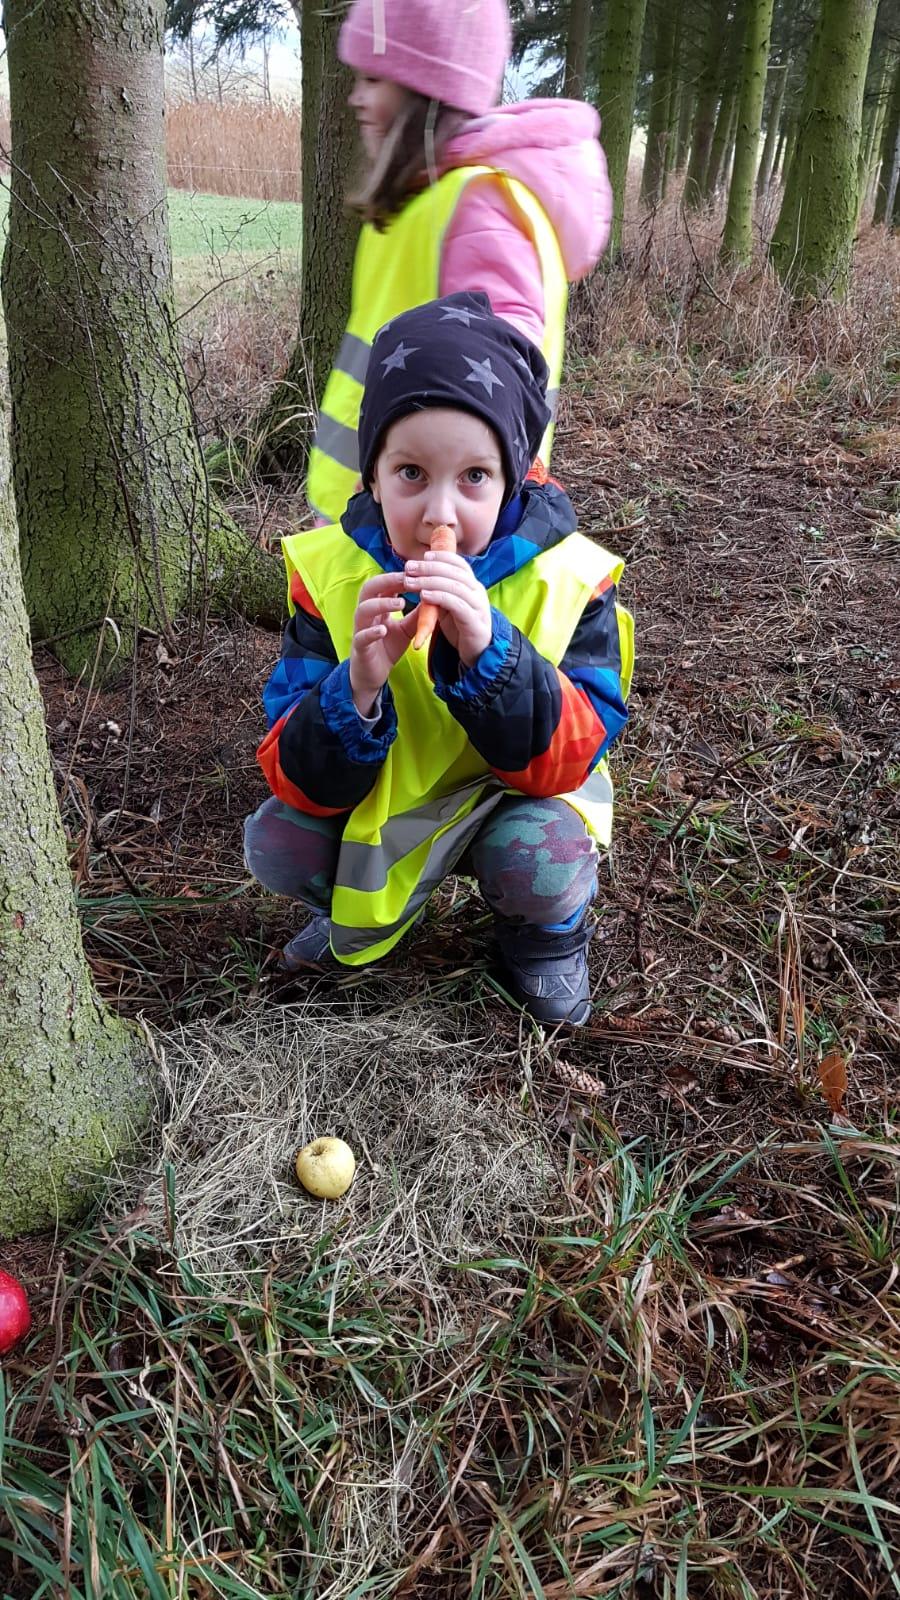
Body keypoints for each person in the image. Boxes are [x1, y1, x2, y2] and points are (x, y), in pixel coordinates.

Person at [245, 294, 633, 1027]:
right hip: (392, 802)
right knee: (276, 838)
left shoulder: (569, 577)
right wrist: (355, 686)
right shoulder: (328, 573)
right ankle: (361, 912)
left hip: (515, 799)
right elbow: (291, 772)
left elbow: (573, 759)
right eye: (412, 474)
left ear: (516, 476)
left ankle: (546, 937)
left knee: (538, 854)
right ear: (372, 476)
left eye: (475, 478)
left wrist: (490, 650)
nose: (440, 515)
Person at [306, 0, 613, 525]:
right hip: (377, 517)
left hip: (420, 531)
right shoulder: (426, 203)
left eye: (376, 79)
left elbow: (494, 387)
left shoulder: (478, 208)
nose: (356, 98)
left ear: (428, 94)